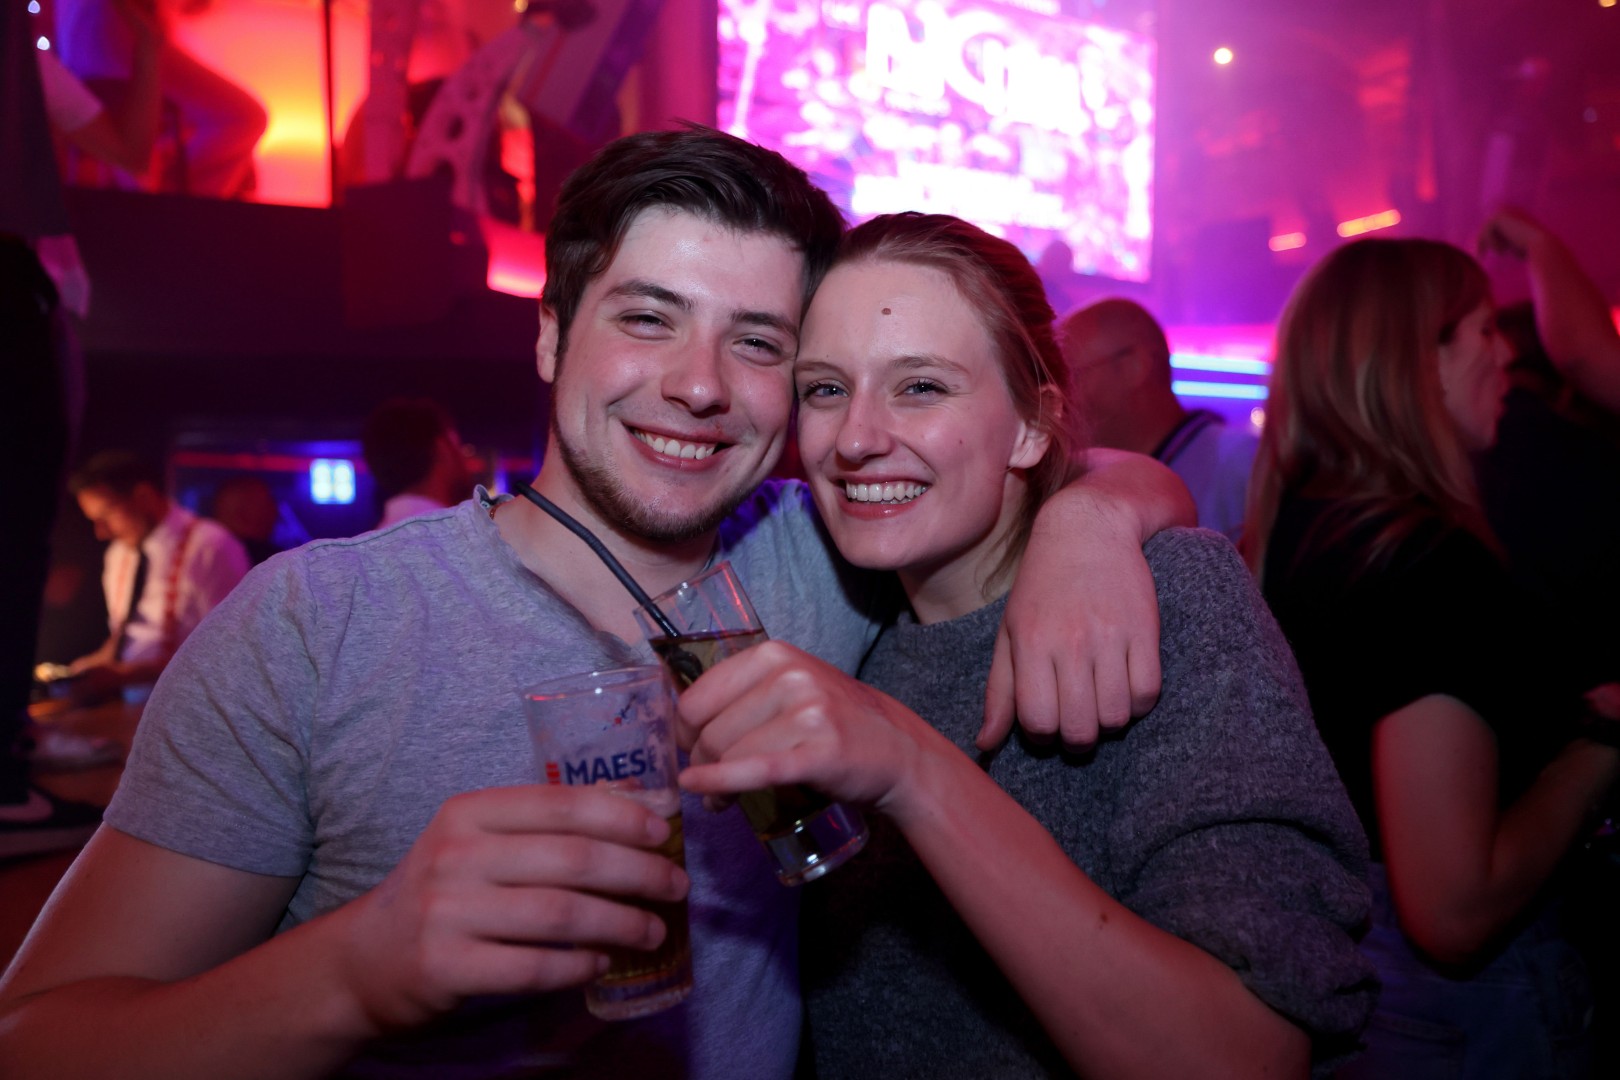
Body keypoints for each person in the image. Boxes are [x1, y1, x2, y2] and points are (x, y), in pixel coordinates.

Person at [0, 127, 1192, 1078]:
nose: (698, 387)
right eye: (648, 318)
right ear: (551, 336)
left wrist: (1090, 527)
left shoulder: (822, 553)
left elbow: (1089, 467)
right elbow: (38, 1041)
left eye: (758, 343)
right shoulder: (315, 626)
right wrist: (356, 972)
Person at [676, 213, 1376, 1077]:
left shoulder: (1167, 597)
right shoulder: (845, 610)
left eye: (920, 386)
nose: (854, 438)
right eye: (824, 389)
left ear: (1034, 425)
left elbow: (1250, 1055)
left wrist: (911, 766)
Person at [1243, 236, 1620, 1077]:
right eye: (1483, 330)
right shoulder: (1425, 563)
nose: (1506, 353)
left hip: (1344, 983)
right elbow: (1452, 909)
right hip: (1455, 1019)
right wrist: (1600, 744)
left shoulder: (1299, 531)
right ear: (1419, 360)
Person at [1060, 297, 1258, 540]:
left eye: (1073, 376)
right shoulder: (1093, 477)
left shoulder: (1240, 464)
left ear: (1135, 367)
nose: (1062, 396)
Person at [63, 449, 250, 704]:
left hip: (191, 709)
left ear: (144, 497)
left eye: (107, 516)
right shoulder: (118, 554)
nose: (101, 533)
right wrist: (87, 667)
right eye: (94, 521)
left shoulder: (212, 547)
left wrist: (127, 675)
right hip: (130, 706)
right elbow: (126, 636)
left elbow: (229, 649)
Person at [52, 0, 267, 198]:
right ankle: (183, 208)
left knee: (234, 120)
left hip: (99, 38)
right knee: (242, 119)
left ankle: (175, 198)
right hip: (114, 31)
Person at [360, 396, 480, 529]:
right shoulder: (463, 538)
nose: (464, 458)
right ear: (442, 449)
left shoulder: (374, 538)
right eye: (458, 445)